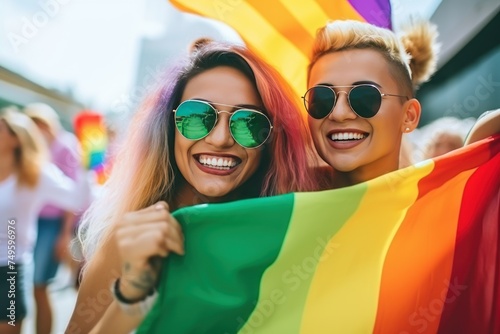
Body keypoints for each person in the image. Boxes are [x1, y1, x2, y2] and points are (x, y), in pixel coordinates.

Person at [67, 41, 320, 334]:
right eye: (197, 117)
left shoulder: (288, 236)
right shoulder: (134, 240)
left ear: (271, 141)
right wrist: (132, 297)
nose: (221, 138)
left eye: (249, 122)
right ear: (169, 125)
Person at [304, 19, 439, 188]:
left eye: (364, 97)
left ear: (409, 116)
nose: (339, 114)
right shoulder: (280, 202)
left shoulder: (443, 205)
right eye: (323, 99)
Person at [0, 108, 89, 334]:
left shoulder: (36, 173)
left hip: (10, 267)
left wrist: (88, 165)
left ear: (16, 139)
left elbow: (76, 198)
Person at [24, 102, 82, 334]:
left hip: (53, 224)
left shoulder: (66, 146)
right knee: (20, 282)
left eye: (40, 124)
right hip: (30, 219)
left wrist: (64, 234)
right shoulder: (30, 147)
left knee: (40, 286)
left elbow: (74, 195)